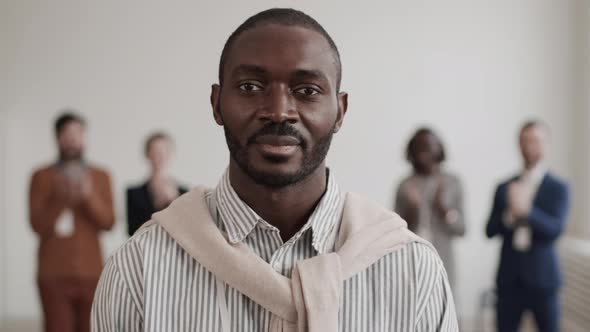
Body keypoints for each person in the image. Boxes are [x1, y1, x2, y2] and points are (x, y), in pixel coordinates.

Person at [91, 8, 458, 331]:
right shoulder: (139, 269)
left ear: (340, 111)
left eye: (308, 90)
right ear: (217, 104)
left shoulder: (412, 270)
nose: (280, 111)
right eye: (250, 86)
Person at [29, 111, 115, 332]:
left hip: (91, 272)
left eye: (77, 133)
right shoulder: (41, 176)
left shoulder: (100, 176)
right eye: (67, 134)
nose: (72, 139)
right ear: (57, 138)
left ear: (84, 137)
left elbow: (108, 222)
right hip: (53, 274)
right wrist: (60, 196)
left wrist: (89, 196)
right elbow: (37, 225)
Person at [485, 120, 570, 332]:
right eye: (525, 141)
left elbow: (556, 229)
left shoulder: (559, 187)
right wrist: (508, 216)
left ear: (547, 144)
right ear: (518, 144)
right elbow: (489, 230)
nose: (529, 146)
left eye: (535, 140)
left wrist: (527, 212)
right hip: (509, 279)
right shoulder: (504, 187)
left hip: (543, 280)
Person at [395, 127, 465, 289]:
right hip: (411, 259)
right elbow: (395, 232)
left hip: (443, 259)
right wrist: (412, 211)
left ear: (439, 148)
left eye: (429, 146)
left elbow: (461, 229)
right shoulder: (405, 185)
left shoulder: (452, 182)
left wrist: (443, 209)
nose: (424, 152)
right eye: (419, 147)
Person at [126, 132, 188, 236]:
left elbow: (187, 229)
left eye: (165, 151)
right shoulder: (134, 193)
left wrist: (174, 200)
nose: (161, 156)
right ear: (147, 154)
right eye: (156, 152)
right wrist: (158, 205)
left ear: (172, 155)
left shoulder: (184, 193)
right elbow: (132, 231)